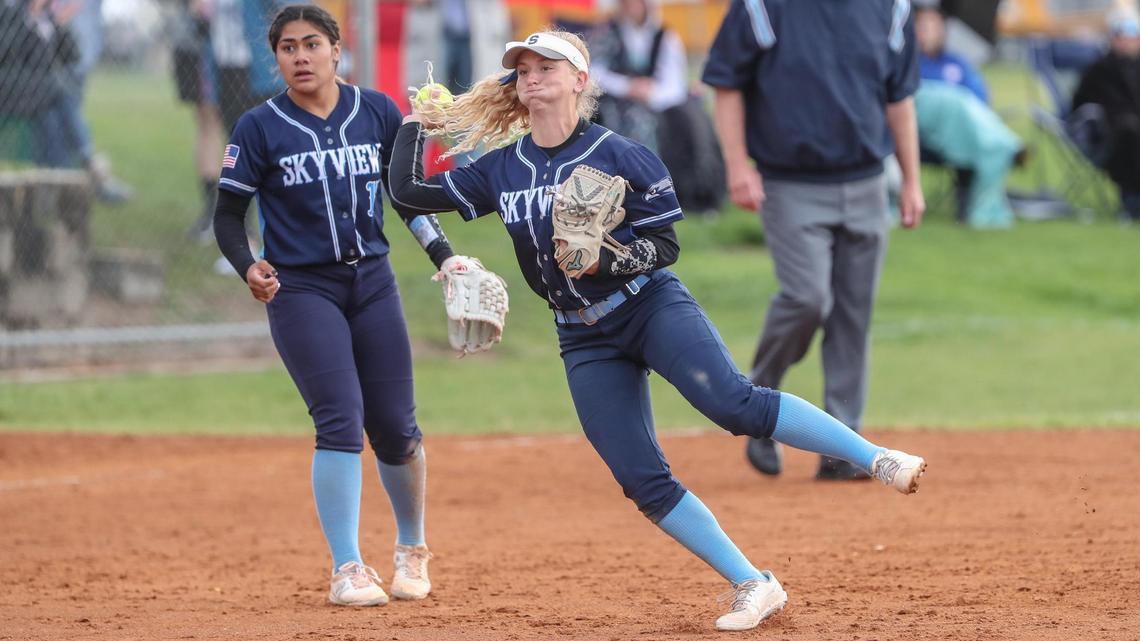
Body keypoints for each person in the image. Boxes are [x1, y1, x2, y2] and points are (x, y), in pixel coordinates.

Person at [389, 29, 928, 631]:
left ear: (580, 80)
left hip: (647, 305)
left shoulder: (620, 153)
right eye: (522, 67)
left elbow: (665, 244)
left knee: (734, 404)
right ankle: (753, 584)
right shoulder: (502, 168)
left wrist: (606, 260)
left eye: (547, 65)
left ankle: (873, 457)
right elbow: (408, 192)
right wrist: (417, 123)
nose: (531, 75)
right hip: (582, 334)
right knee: (639, 477)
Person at [212, 4, 485, 607]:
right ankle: (347, 569)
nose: (301, 57)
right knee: (339, 419)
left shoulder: (378, 112)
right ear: (276, 57)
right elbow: (228, 213)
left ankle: (412, 548)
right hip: (302, 289)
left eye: (313, 44)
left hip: (373, 284)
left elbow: (406, 199)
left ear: (337, 50)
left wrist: (444, 255)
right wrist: (249, 265)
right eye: (288, 47)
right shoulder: (260, 126)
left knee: (395, 426)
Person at [702, 1, 925, 482]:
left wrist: (911, 180)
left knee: (852, 315)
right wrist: (738, 166)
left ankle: (843, 450)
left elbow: (899, 97)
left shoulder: (891, 8)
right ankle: (758, 402)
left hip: (867, 182)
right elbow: (726, 83)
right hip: (790, 183)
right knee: (807, 299)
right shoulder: (761, 6)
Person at [589, 0, 726, 213]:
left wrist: (651, 93)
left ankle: (694, 190)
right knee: (636, 123)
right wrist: (628, 87)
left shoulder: (666, 37)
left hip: (661, 99)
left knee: (691, 122)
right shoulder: (606, 34)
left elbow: (674, 80)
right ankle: (633, 191)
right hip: (616, 101)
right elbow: (593, 72)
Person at [913, 0, 1021, 227]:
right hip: (922, 137)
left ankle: (978, 197)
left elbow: (979, 99)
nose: (926, 31)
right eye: (921, 25)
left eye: (932, 25)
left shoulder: (957, 63)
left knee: (966, 115)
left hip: (962, 137)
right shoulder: (908, 64)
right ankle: (1008, 145)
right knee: (953, 102)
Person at [1072, 6, 1140, 221]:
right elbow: (1081, 106)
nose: (1126, 40)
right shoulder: (1099, 70)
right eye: (1121, 34)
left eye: (1132, 34)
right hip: (1108, 135)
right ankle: (1132, 202)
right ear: (1112, 37)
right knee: (1130, 131)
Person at [170, 0, 225, 243]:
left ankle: (227, 216)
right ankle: (213, 213)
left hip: (228, 45)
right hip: (202, 43)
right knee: (207, 124)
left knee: (229, 128)